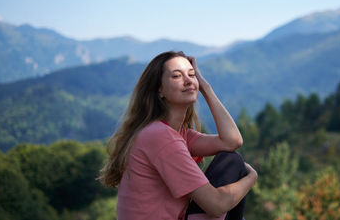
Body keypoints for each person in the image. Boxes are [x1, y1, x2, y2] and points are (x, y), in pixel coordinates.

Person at [98, 51, 257, 220]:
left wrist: (204, 86)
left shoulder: (176, 133)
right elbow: (216, 205)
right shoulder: (159, 136)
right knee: (233, 163)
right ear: (160, 90)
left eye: (192, 75)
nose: (188, 80)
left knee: (231, 159)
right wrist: (251, 178)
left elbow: (231, 141)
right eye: (176, 76)